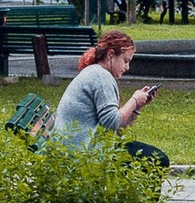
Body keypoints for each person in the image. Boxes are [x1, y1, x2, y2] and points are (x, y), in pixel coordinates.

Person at [52, 30, 168, 166]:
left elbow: (118, 130)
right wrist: (134, 100)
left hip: (82, 149)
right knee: (158, 160)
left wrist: (138, 107)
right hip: (83, 155)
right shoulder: (101, 77)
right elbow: (112, 122)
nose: (127, 67)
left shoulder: (96, 72)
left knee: (154, 157)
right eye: (125, 61)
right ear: (110, 54)